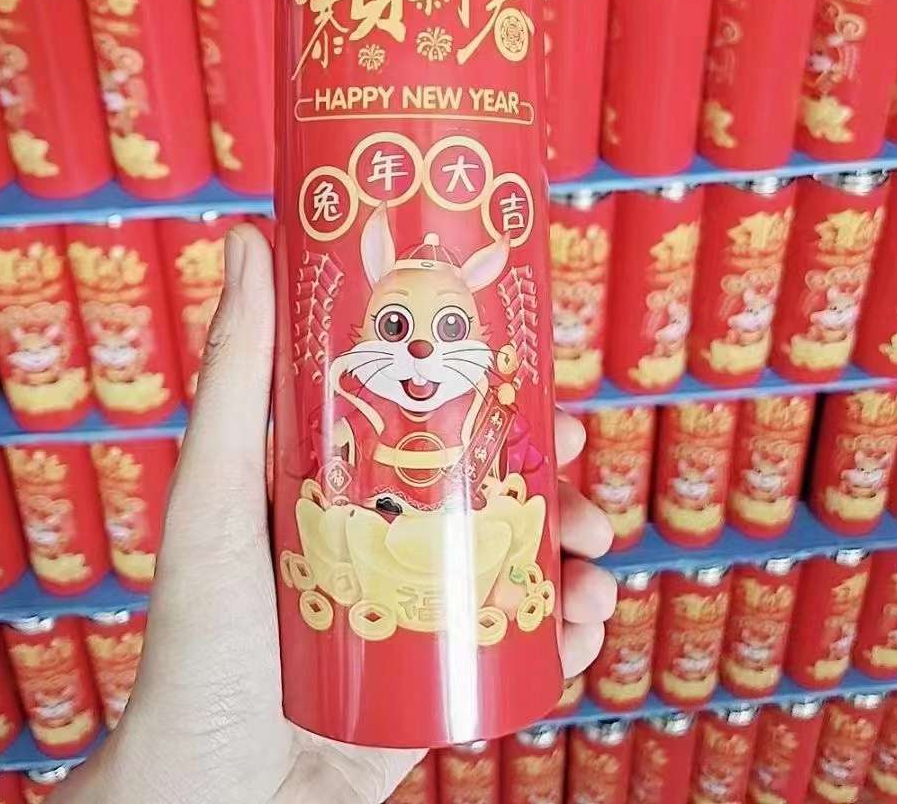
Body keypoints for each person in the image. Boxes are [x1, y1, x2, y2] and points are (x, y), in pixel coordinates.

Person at [60, 224, 618, 804]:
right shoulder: (355, 402)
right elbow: (332, 463)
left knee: (515, 522)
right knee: (337, 528)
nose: (421, 350)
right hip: (364, 572)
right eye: (395, 327)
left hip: (458, 561)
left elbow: (512, 458)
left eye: (450, 329)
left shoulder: (483, 404)